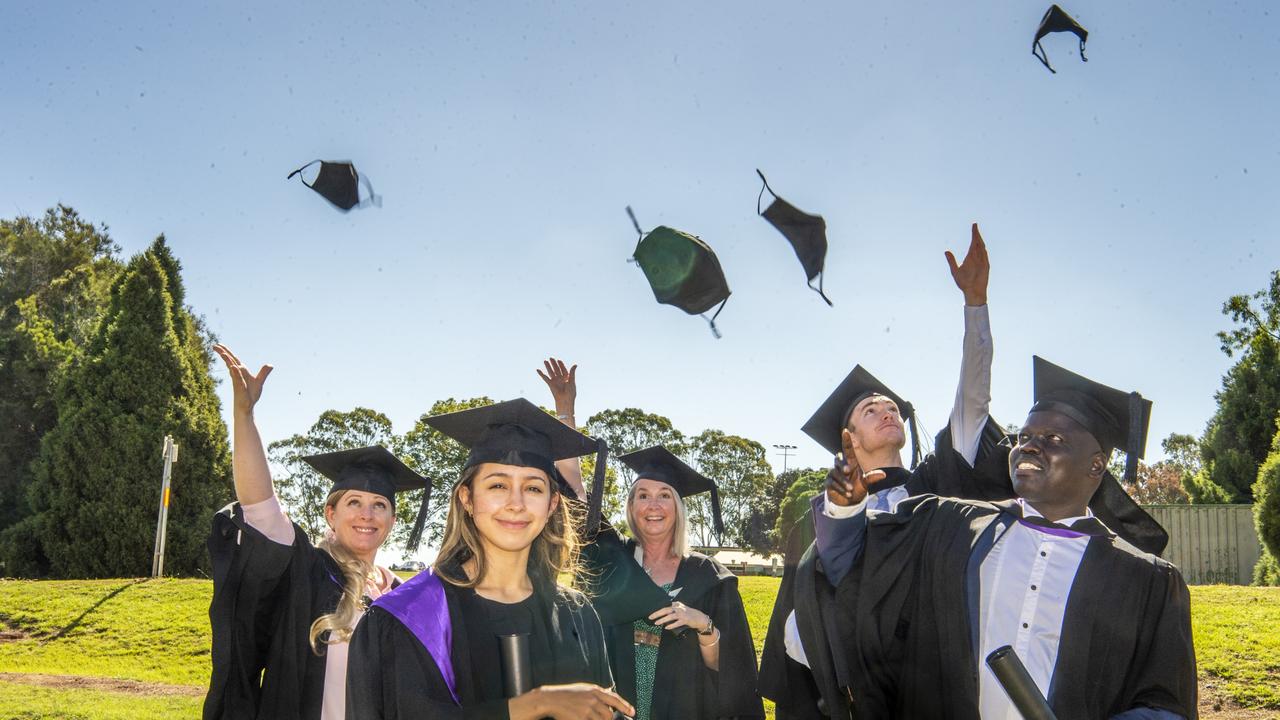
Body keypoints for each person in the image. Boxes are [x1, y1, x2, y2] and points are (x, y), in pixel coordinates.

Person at [813, 357, 1197, 718]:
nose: (1028, 445)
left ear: (1096, 465)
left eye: (1053, 439)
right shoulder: (954, 525)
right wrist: (845, 508)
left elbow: (1165, 705)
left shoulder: (1149, 582)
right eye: (1024, 436)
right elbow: (853, 565)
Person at [758, 223, 999, 720]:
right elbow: (795, 632)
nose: (887, 410)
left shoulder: (933, 490)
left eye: (891, 405)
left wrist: (975, 304)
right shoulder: (822, 518)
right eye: (870, 409)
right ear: (848, 439)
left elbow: (972, 408)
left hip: (932, 688)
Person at [345, 398, 635, 720]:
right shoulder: (409, 617)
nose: (516, 503)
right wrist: (530, 706)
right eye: (498, 485)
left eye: (534, 489)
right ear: (467, 498)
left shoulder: (576, 614)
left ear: (552, 504)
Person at [203, 344, 429, 720]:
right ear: (331, 513)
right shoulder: (309, 571)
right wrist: (245, 416)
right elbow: (262, 509)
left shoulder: (401, 593)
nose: (367, 515)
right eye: (354, 502)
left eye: (380, 505)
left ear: (391, 520)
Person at [537, 361, 765, 720]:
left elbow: (732, 674)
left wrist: (703, 625)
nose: (653, 505)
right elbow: (576, 492)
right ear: (631, 506)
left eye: (664, 495)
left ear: (678, 507)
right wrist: (566, 409)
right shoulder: (613, 559)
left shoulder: (710, 578)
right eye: (642, 495)